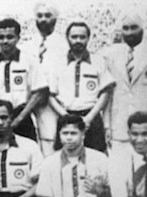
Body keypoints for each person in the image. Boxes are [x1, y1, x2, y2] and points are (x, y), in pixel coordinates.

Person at [101, 10, 147, 151]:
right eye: (125, 28)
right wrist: (107, 126)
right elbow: (108, 95)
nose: (129, 32)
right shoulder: (111, 56)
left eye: (134, 28)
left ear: (142, 28)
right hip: (119, 127)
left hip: (146, 129)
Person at [49, 22, 116, 152]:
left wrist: (89, 118)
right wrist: (66, 117)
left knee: (97, 159)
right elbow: (50, 96)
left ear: (88, 38)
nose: (78, 40)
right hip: (66, 115)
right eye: (74, 37)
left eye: (82, 37)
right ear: (67, 38)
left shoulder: (98, 61)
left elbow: (106, 92)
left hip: (91, 117)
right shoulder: (57, 63)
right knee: (63, 160)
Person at [0, 19, 49, 141]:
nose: (5, 41)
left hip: (22, 117)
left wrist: (20, 118)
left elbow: (39, 91)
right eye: (1, 37)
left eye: (10, 37)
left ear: (18, 38)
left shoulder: (29, 60)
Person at [24, 2, 69, 156]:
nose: (43, 20)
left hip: (52, 102)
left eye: (48, 16)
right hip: (30, 101)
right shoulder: (27, 46)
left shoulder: (64, 46)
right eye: (40, 16)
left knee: (50, 143)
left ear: (55, 19)